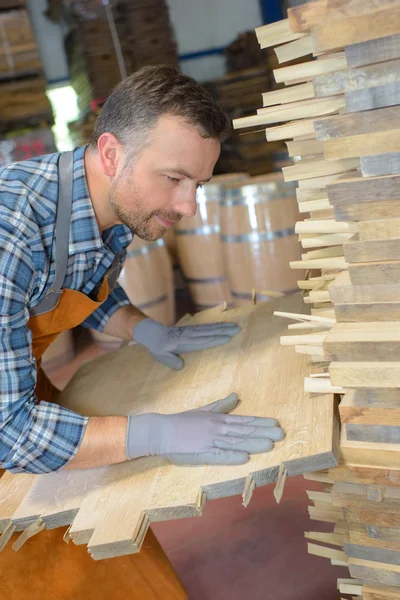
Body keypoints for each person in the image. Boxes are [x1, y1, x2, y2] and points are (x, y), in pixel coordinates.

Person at [0, 66, 284, 599]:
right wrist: (153, 433)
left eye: (197, 185)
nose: (187, 206)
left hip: (18, 403)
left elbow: (77, 283)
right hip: (10, 424)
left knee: (115, 556)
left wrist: (145, 330)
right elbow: (10, 434)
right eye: (174, 179)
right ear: (111, 153)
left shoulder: (103, 202)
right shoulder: (9, 232)